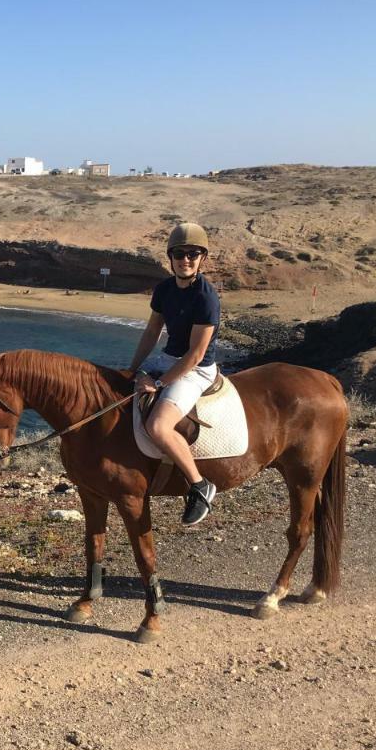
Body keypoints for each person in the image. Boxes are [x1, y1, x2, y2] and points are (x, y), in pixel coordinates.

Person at [127, 222, 221, 525]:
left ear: (202, 258)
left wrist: (157, 382)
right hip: (168, 359)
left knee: (158, 426)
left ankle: (199, 485)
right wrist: (133, 367)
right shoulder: (165, 289)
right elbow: (153, 329)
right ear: (171, 257)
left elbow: (195, 355)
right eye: (180, 254)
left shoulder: (206, 298)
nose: (186, 259)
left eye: (193, 254)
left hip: (197, 370)